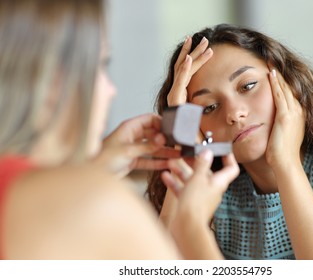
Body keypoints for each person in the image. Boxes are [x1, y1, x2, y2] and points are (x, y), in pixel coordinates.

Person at [0, 1, 239, 259]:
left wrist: (96, 167)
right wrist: (192, 223)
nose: (111, 90)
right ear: (53, 82)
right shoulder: (101, 204)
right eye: (101, 65)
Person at [147, 23, 313, 259]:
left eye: (248, 86)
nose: (234, 114)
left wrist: (286, 163)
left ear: (285, 81)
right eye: (209, 107)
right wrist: (182, 137)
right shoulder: (213, 191)